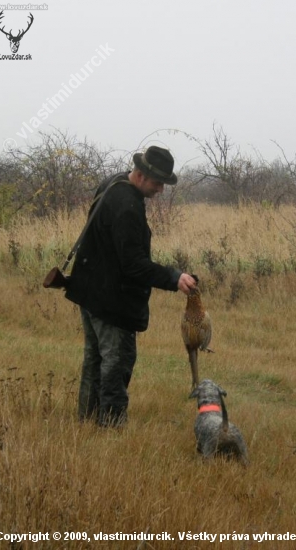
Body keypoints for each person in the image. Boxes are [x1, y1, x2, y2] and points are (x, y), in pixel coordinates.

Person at [65, 145, 196, 427]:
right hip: (111, 300)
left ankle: (87, 423)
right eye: (158, 182)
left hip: (90, 291)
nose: (161, 189)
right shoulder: (127, 206)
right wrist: (175, 277)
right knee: (116, 363)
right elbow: (134, 265)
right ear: (140, 174)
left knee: (95, 361)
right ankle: (111, 428)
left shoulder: (113, 182)